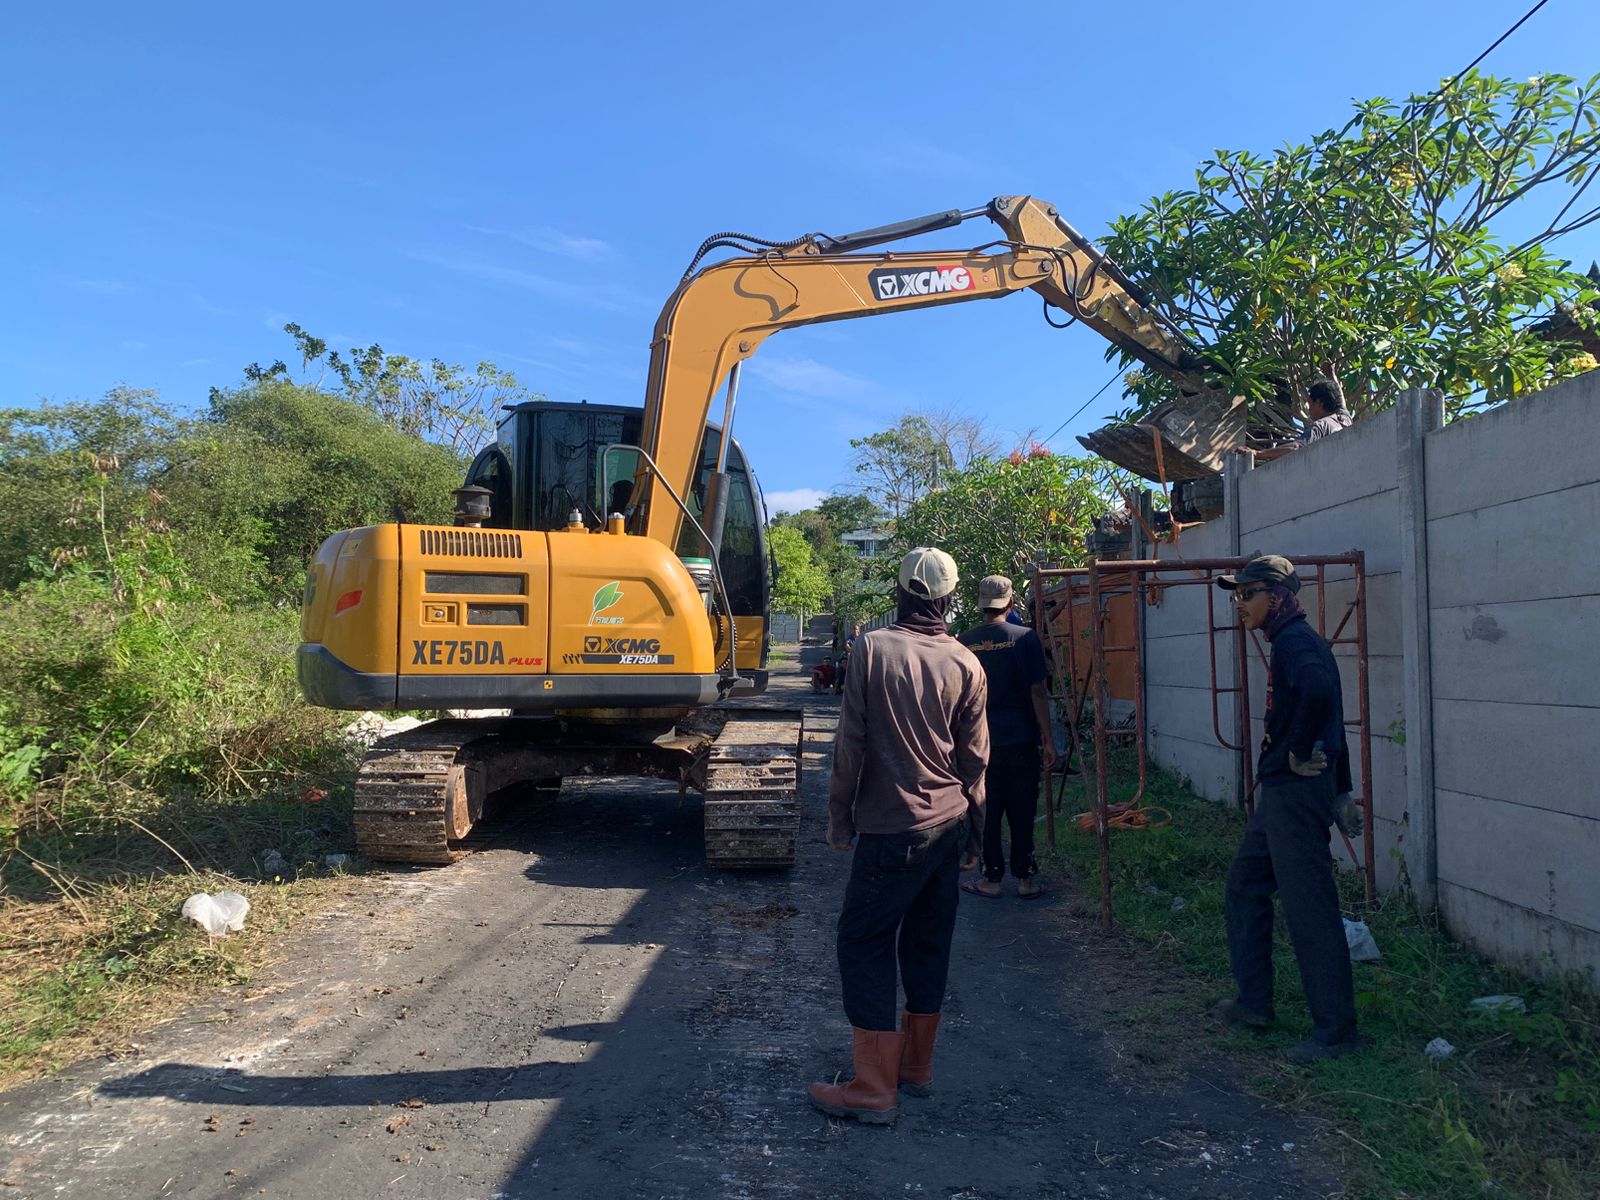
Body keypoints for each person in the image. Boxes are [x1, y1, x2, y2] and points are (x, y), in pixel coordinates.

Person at [809, 547, 989, 1124]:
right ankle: (915, 1068)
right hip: (949, 824)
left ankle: (872, 1088)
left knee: (863, 941)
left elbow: (851, 744)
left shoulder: (872, 650)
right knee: (927, 943)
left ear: (902, 592)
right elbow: (976, 762)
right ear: (949, 598)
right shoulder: (967, 662)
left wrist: (840, 817)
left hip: (891, 830)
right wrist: (978, 838)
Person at [1213, 555, 1365, 1064]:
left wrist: (1300, 752)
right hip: (1283, 791)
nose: (1239, 605)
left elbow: (1322, 696)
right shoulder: (1293, 642)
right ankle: (1254, 1003)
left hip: (1296, 795)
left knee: (1309, 906)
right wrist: (1340, 789)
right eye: (1236, 596)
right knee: (1245, 886)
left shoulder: (1297, 642)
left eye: (1246, 595)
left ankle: (1336, 1032)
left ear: (1275, 595)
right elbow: (1334, 717)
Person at [956, 575, 1058, 899]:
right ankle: (1026, 879)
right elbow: (1038, 692)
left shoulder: (965, 641)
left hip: (979, 744)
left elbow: (955, 697)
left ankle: (992, 879)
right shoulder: (1026, 638)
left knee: (986, 810)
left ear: (981, 604)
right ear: (1010, 603)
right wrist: (1049, 738)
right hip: (1022, 740)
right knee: (1023, 809)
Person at [1243, 376, 1353, 461]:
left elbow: (1297, 447)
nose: (1309, 410)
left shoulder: (1321, 426)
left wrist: (1258, 453)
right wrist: (1331, 374)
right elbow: (1340, 398)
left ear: (1319, 403)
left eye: (1310, 405)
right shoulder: (1345, 419)